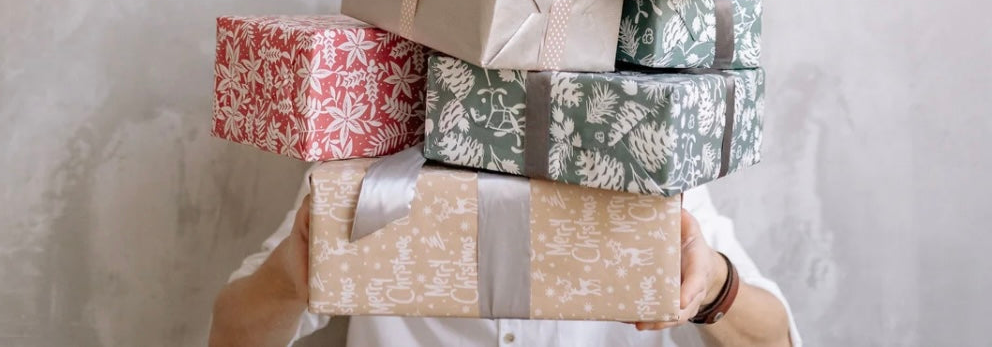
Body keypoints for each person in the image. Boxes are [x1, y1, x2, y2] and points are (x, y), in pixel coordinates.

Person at [209, 168, 801, 347]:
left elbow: (777, 341)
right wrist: (292, 277)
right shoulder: (373, 167)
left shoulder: (644, 161)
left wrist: (712, 286)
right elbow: (231, 337)